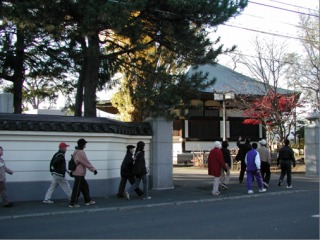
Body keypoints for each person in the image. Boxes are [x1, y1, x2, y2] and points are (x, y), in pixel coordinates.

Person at [69, 138, 98, 208]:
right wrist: (93, 169)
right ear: (82, 144)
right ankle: (72, 203)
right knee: (77, 189)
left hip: (77, 173)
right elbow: (86, 162)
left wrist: (71, 171)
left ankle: (88, 200)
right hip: (79, 173)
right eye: (85, 143)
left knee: (85, 187)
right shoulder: (81, 152)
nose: (85, 145)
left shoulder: (76, 151)